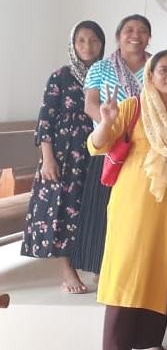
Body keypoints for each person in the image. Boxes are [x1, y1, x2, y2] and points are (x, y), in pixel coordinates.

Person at [89, 50, 167, 350]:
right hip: (130, 206)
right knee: (126, 271)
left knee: (161, 271)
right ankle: (115, 344)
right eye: (163, 70)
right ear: (151, 75)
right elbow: (97, 145)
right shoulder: (133, 106)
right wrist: (105, 121)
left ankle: (149, 343)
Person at [21, 21, 105, 294]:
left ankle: (95, 266)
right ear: (72, 45)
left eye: (93, 40)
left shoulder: (106, 74)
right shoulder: (61, 76)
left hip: (95, 153)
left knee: (92, 211)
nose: (87, 46)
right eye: (81, 41)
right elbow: (45, 119)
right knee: (61, 210)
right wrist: (48, 158)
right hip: (63, 155)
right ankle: (66, 269)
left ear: (102, 44)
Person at [74, 14, 151, 277]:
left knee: (137, 212)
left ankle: (132, 267)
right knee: (102, 209)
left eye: (142, 31)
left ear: (149, 38)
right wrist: (114, 129)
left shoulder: (155, 67)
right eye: (129, 30)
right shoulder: (101, 68)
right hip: (108, 146)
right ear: (118, 37)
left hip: (144, 151)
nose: (135, 35)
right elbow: (90, 104)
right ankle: (100, 268)